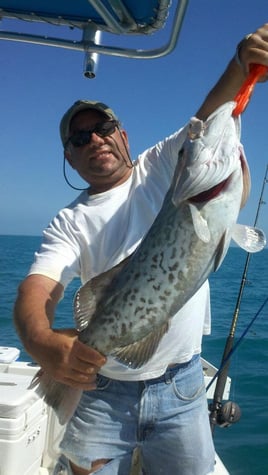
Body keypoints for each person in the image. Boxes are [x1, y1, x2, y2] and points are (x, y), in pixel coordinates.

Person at [14, 24, 268, 475]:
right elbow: (39, 289)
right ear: (70, 158)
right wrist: (42, 343)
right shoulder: (68, 221)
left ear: (123, 136)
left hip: (184, 386)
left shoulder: (161, 166)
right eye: (79, 138)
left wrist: (240, 65)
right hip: (103, 391)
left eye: (103, 127)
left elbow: (207, 119)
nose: (95, 140)